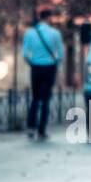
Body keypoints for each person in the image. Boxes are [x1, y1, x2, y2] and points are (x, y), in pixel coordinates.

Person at [21, 8, 64, 140]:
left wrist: (33, 62)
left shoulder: (29, 33)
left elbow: (24, 54)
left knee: (35, 98)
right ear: (49, 17)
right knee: (45, 100)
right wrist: (54, 62)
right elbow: (60, 54)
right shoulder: (55, 33)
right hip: (49, 67)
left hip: (35, 67)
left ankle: (31, 127)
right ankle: (41, 130)